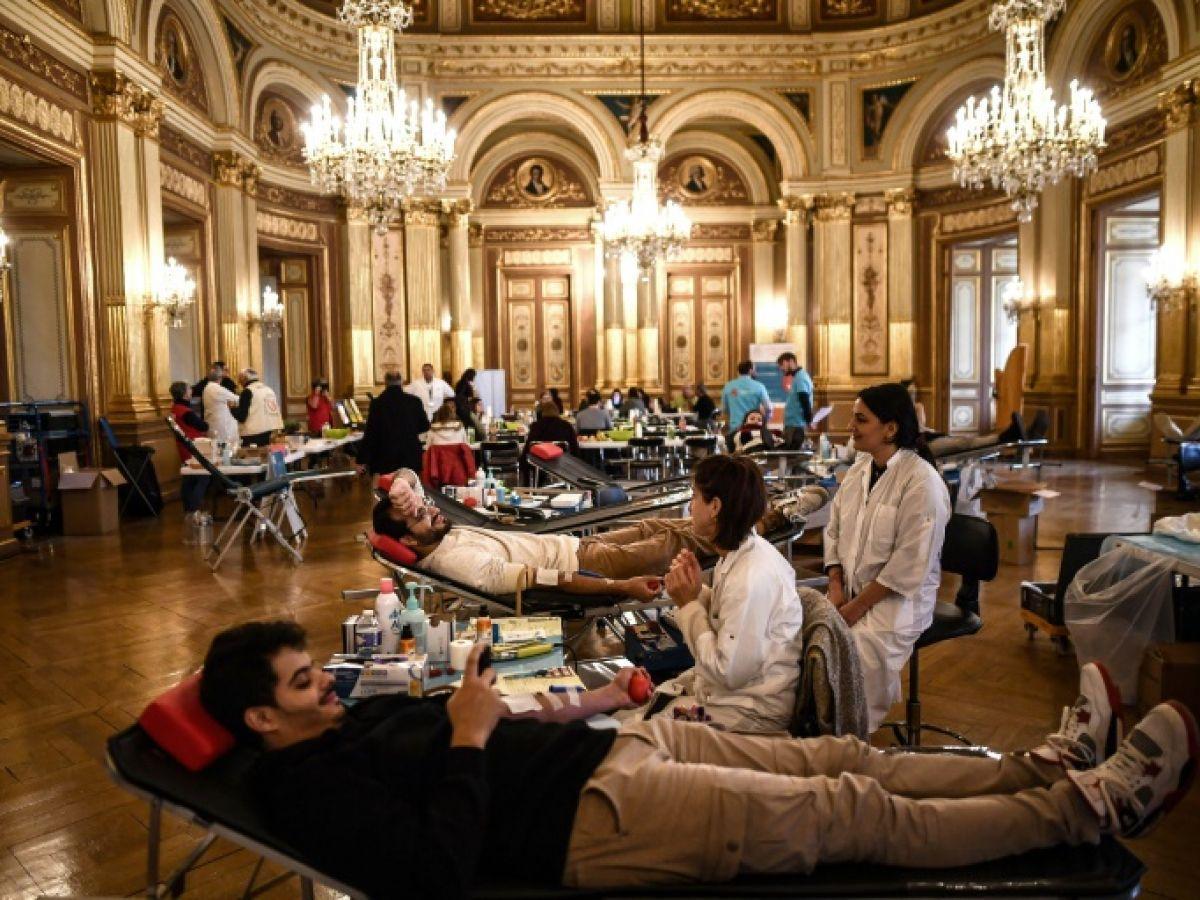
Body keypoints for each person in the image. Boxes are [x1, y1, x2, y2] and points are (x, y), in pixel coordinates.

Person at [199, 622, 1199, 900]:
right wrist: (467, 734)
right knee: (855, 812)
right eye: (302, 685)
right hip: (598, 822)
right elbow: (430, 873)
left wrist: (567, 707)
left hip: (611, 750)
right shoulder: (307, 786)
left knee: (848, 757)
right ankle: (1090, 807)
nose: (326, 685)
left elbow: (467, 748)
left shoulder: (339, 731)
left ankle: (1038, 766)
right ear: (257, 719)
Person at [372, 465, 827, 602]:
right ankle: (767, 519)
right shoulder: (452, 559)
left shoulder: (441, 530)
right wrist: (617, 586)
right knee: (673, 542)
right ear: (410, 542)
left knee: (657, 525)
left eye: (425, 506)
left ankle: (762, 513)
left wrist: (403, 488)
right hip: (582, 567)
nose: (430, 510)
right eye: (418, 516)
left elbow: (412, 476)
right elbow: (537, 580)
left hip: (575, 545)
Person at [823, 382, 952, 731]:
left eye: (861, 420)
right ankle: (816, 734)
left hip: (897, 601)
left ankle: (851, 741)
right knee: (812, 636)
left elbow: (908, 563)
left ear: (890, 429)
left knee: (856, 649)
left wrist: (853, 608)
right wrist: (836, 588)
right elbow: (833, 530)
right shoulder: (859, 471)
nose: (851, 426)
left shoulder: (921, 482)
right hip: (848, 592)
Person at [648, 455, 803, 731]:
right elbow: (729, 616)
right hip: (732, 697)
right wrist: (697, 592)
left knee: (639, 735)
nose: (690, 506)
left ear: (715, 507)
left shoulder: (752, 575)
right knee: (643, 710)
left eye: (695, 497)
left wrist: (688, 604)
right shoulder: (737, 554)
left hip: (751, 713)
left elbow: (727, 671)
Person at [359, 371, 431, 476]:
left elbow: (371, 433)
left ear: (385, 382)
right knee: (409, 489)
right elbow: (424, 425)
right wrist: (409, 429)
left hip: (385, 457)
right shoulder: (414, 401)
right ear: (401, 382)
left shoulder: (377, 404)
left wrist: (362, 459)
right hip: (409, 455)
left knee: (386, 489)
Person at [169, 381, 210, 514]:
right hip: (193, 447)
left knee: (189, 478)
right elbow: (203, 426)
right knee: (203, 476)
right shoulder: (185, 411)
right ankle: (194, 506)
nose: (191, 391)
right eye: (189, 389)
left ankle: (189, 507)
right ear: (185, 394)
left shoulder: (175, 408)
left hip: (184, 447)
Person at [521, 399, 579, 481]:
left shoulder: (536, 426)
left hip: (539, 462)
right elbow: (574, 448)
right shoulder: (566, 426)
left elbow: (529, 447)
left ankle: (531, 487)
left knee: (524, 459)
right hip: (562, 462)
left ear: (542, 412)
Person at [231, 368, 284, 448]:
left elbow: (242, 417)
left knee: (252, 459)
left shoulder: (247, 391)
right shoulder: (269, 389)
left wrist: (232, 408)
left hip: (252, 434)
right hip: (270, 432)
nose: (239, 383)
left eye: (239, 379)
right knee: (266, 458)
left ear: (244, 379)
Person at [777, 352, 814, 451]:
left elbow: (804, 399)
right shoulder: (797, 377)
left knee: (792, 457)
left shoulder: (801, 377)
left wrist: (809, 420)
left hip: (795, 426)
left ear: (791, 361)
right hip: (793, 425)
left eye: (782, 364)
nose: (781, 368)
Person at [721, 361, 771, 433]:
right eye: (755, 370)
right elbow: (768, 407)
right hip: (753, 427)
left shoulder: (728, 386)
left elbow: (724, 409)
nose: (756, 372)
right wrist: (765, 420)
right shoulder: (759, 386)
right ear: (751, 370)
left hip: (735, 427)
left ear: (739, 371)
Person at [201, 366, 241, 447]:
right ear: (220, 378)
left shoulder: (207, 388)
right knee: (225, 450)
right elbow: (237, 399)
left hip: (213, 422)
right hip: (222, 425)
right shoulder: (217, 389)